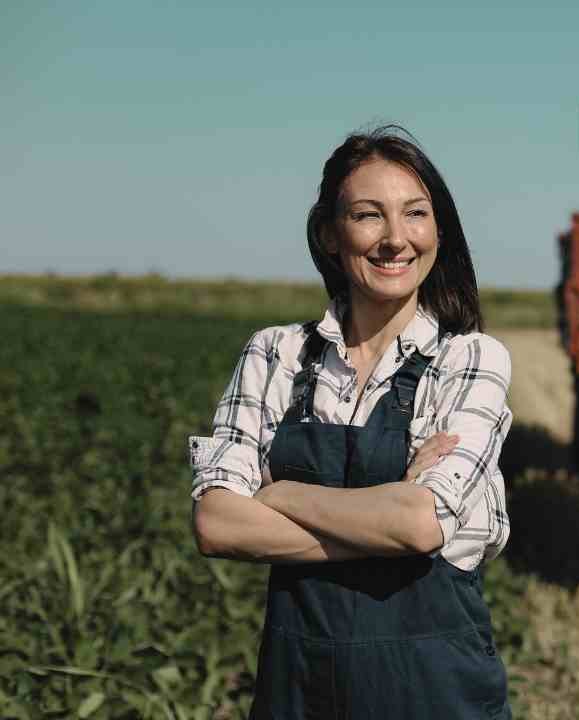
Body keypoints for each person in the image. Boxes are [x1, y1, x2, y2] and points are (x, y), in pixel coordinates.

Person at [188, 125, 512, 719]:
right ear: (328, 235)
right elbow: (217, 523)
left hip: (436, 697)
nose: (395, 239)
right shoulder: (274, 354)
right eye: (368, 215)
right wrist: (385, 518)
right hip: (300, 696)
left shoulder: (469, 360)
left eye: (416, 213)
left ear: (439, 229)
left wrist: (280, 493)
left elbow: (418, 525)